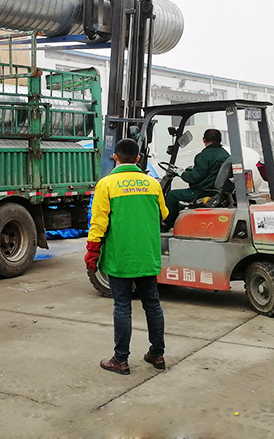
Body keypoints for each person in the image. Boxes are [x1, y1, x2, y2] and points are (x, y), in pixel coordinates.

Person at [84, 138, 169, 375]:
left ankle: (120, 360)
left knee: (122, 306)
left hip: (120, 256)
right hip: (147, 255)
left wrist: (92, 253)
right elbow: (164, 213)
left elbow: (98, 223)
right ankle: (157, 354)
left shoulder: (106, 184)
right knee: (152, 304)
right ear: (138, 159)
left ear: (115, 158)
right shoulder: (152, 184)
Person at [163, 129, 230, 229]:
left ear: (204, 139)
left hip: (201, 191)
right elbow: (207, 170)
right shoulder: (225, 154)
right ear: (220, 139)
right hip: (214, 190)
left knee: (172, 195)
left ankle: (167, 223)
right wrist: (190, 170)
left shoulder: (203, 156)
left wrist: (182, 173)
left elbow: (194, 178)